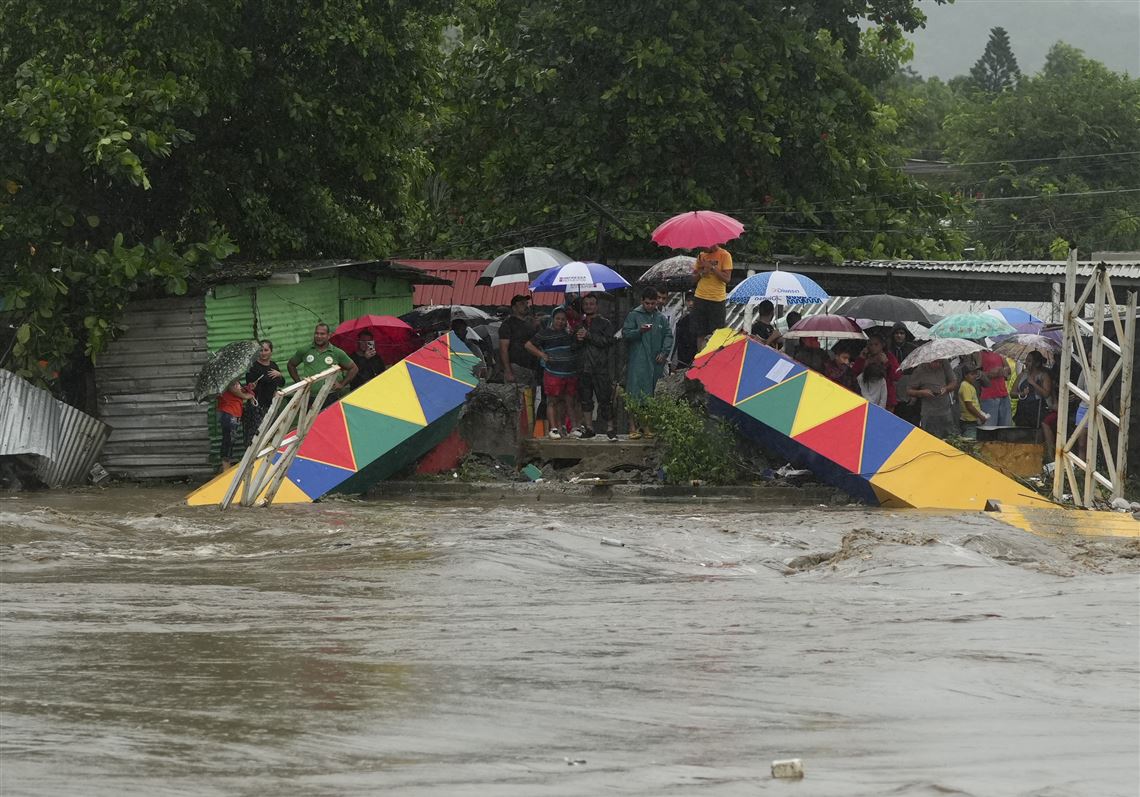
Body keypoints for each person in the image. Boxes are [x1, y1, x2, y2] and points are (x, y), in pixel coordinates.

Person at [623, 288, 674, 438]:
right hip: (638, 361)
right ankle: (632, 427)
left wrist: (664, 352)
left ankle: (646, 426)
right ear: (642, 301)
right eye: (647, 303)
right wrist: (639, 331)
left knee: (650, 395)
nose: (650, 306)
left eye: (653, 303)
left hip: (655, 362)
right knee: (634, 393)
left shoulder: (660, 318)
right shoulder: (634, 315)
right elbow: (626, 334)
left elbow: (668, 335)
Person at [525, 307, 584, 439]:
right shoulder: (544, 333)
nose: (560, 322)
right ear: (553, 319)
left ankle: (573, 426)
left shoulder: (569, 333)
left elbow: (578, 346)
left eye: (563, 319)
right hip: (552, 372)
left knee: (569, 400)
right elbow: (528, 345)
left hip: (570, 372)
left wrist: (578, 335)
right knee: (552, 401)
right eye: (558, 318)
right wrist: (541, 354)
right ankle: (553, 428)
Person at [576, 293, 617, 440]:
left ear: (596, 306)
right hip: (583, 367)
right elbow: (574, 346)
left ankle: (610, 428)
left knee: (604, 399)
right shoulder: (579, 323)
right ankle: (589, 427)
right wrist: (577, 338)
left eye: (591, 304)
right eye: (586, 304)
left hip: (600, 367)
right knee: (586, 399)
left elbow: (608, 341)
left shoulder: (605, 323)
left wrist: (589, 336)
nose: (588, 306)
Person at [287, 322, 358, 408]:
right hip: (310, 396)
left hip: (331, 396)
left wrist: (342, 384)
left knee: (330, 421)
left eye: (322, 334)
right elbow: (291, 365)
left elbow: (354, 368)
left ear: (328, 335)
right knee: (311, 421)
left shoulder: (337, 352)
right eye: (316, 333)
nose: (319, 336)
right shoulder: (305, 350)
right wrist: (299, 384)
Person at [906, 358, 958, 439]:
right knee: (929, 439)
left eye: (940, 362)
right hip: (929, 413)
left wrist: (947, 388)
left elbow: (954, 382)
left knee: (949, 438)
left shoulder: (945, 364)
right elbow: (909, 390)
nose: (938, 364)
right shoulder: (920, 370)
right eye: (935, 362)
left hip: (945, 410)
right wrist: (921, 392)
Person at [243, 339, 284, 442]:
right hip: (257, 406)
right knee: (256, 436)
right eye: (260, 350)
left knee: (272, 433)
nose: (263, 353)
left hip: (271, 405)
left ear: (271, 351)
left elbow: (281, 383)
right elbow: (250, 384)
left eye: (266, 350)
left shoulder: (273, 365)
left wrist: (279, 375)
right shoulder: (253, 366)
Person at [691, 243, 733, 341]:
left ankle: (713, 355)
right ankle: (700, 354)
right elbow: (693, 278)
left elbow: (727, 279)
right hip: (700, 297)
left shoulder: (725, 255)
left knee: (716, 334)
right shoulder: (701, 256)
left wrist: (712, 268)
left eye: (703, 244)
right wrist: (702, 272)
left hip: (717, 299)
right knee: (700, 333)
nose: (701, 247)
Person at [1020, 351, 1057, 455]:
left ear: (1036, 363)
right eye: (1026, 360)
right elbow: (1013, 392)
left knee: (1038, 433)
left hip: (1038, 409)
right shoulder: (1023, 375)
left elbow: (1046, 394)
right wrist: (1022, 393)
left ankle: (1045, 455)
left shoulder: (1043, 376)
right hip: (1024, 409)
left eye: (1029, 361)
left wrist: (1033, 384)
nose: (1026, 363)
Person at [498, 294, 539, 385]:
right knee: (517, 397)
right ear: (514, 308)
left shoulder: (531, 323)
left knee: (530, 397)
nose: (526, 306)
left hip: (532, 367)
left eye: (526, 303)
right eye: (522, 304)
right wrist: (508, 371)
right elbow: (503, 349)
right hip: (516, 367)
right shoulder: (507, 325)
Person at [851, 334, 900, 410]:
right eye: (870, 344)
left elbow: (896, 376)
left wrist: (887, 363)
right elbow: (853, 374)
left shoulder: (889, 357)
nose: (873, 347)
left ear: (882, 345)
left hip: (886, 397)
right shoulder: (865, 357)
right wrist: (861, 359)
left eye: (876, 344)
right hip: (865, 394)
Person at [217, 379, 254, 471]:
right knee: (228, 440)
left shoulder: (233, 380)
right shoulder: (227, 381)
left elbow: (237, 391)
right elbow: (236, 392)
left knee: (231, 440)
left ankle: (226, 466)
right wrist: (247, 395)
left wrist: (248, 388)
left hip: (234, 412)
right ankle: (226, 469)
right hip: (229, 413)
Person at [978, 349, 1012, 426]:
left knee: (1005, 428)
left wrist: (1003, 370)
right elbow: (975, 373)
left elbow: (1008, 369)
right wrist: (988, 374)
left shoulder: (998, 351)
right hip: (988, 396)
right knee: (989, 430)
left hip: (1003, 395)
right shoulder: (980, 352)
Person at [958, 365, 990, 440]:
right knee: (970, 443)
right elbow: (969, 406)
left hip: (973, 420)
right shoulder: (965, 386)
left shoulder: (970, 385)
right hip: (968, 422)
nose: (975, 376)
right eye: (972, 374)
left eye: (975, 374)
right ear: (965, 375)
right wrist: (981, 417)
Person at [673, 292, 699, 368]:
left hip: (695, 359)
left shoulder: (702, 320)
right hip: (682, 360)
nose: (691, 303)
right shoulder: (682, 320)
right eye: (688, 301)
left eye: (693, 300)